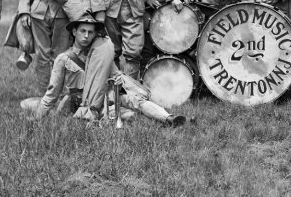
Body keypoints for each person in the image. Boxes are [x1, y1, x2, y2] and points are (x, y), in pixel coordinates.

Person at [20, 13, 185, 126]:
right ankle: (163, 123)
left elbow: (114, 74)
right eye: (82, 31)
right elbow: (51, 94)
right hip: (82, 104)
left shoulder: (100, 54)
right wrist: (37, 119)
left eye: (90, 32)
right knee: (130, 116)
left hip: (105, 97)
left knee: (135, 101)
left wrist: (120, 79)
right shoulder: (63, 59)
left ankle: (169, 119)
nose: (86, 36)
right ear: (74, 32)